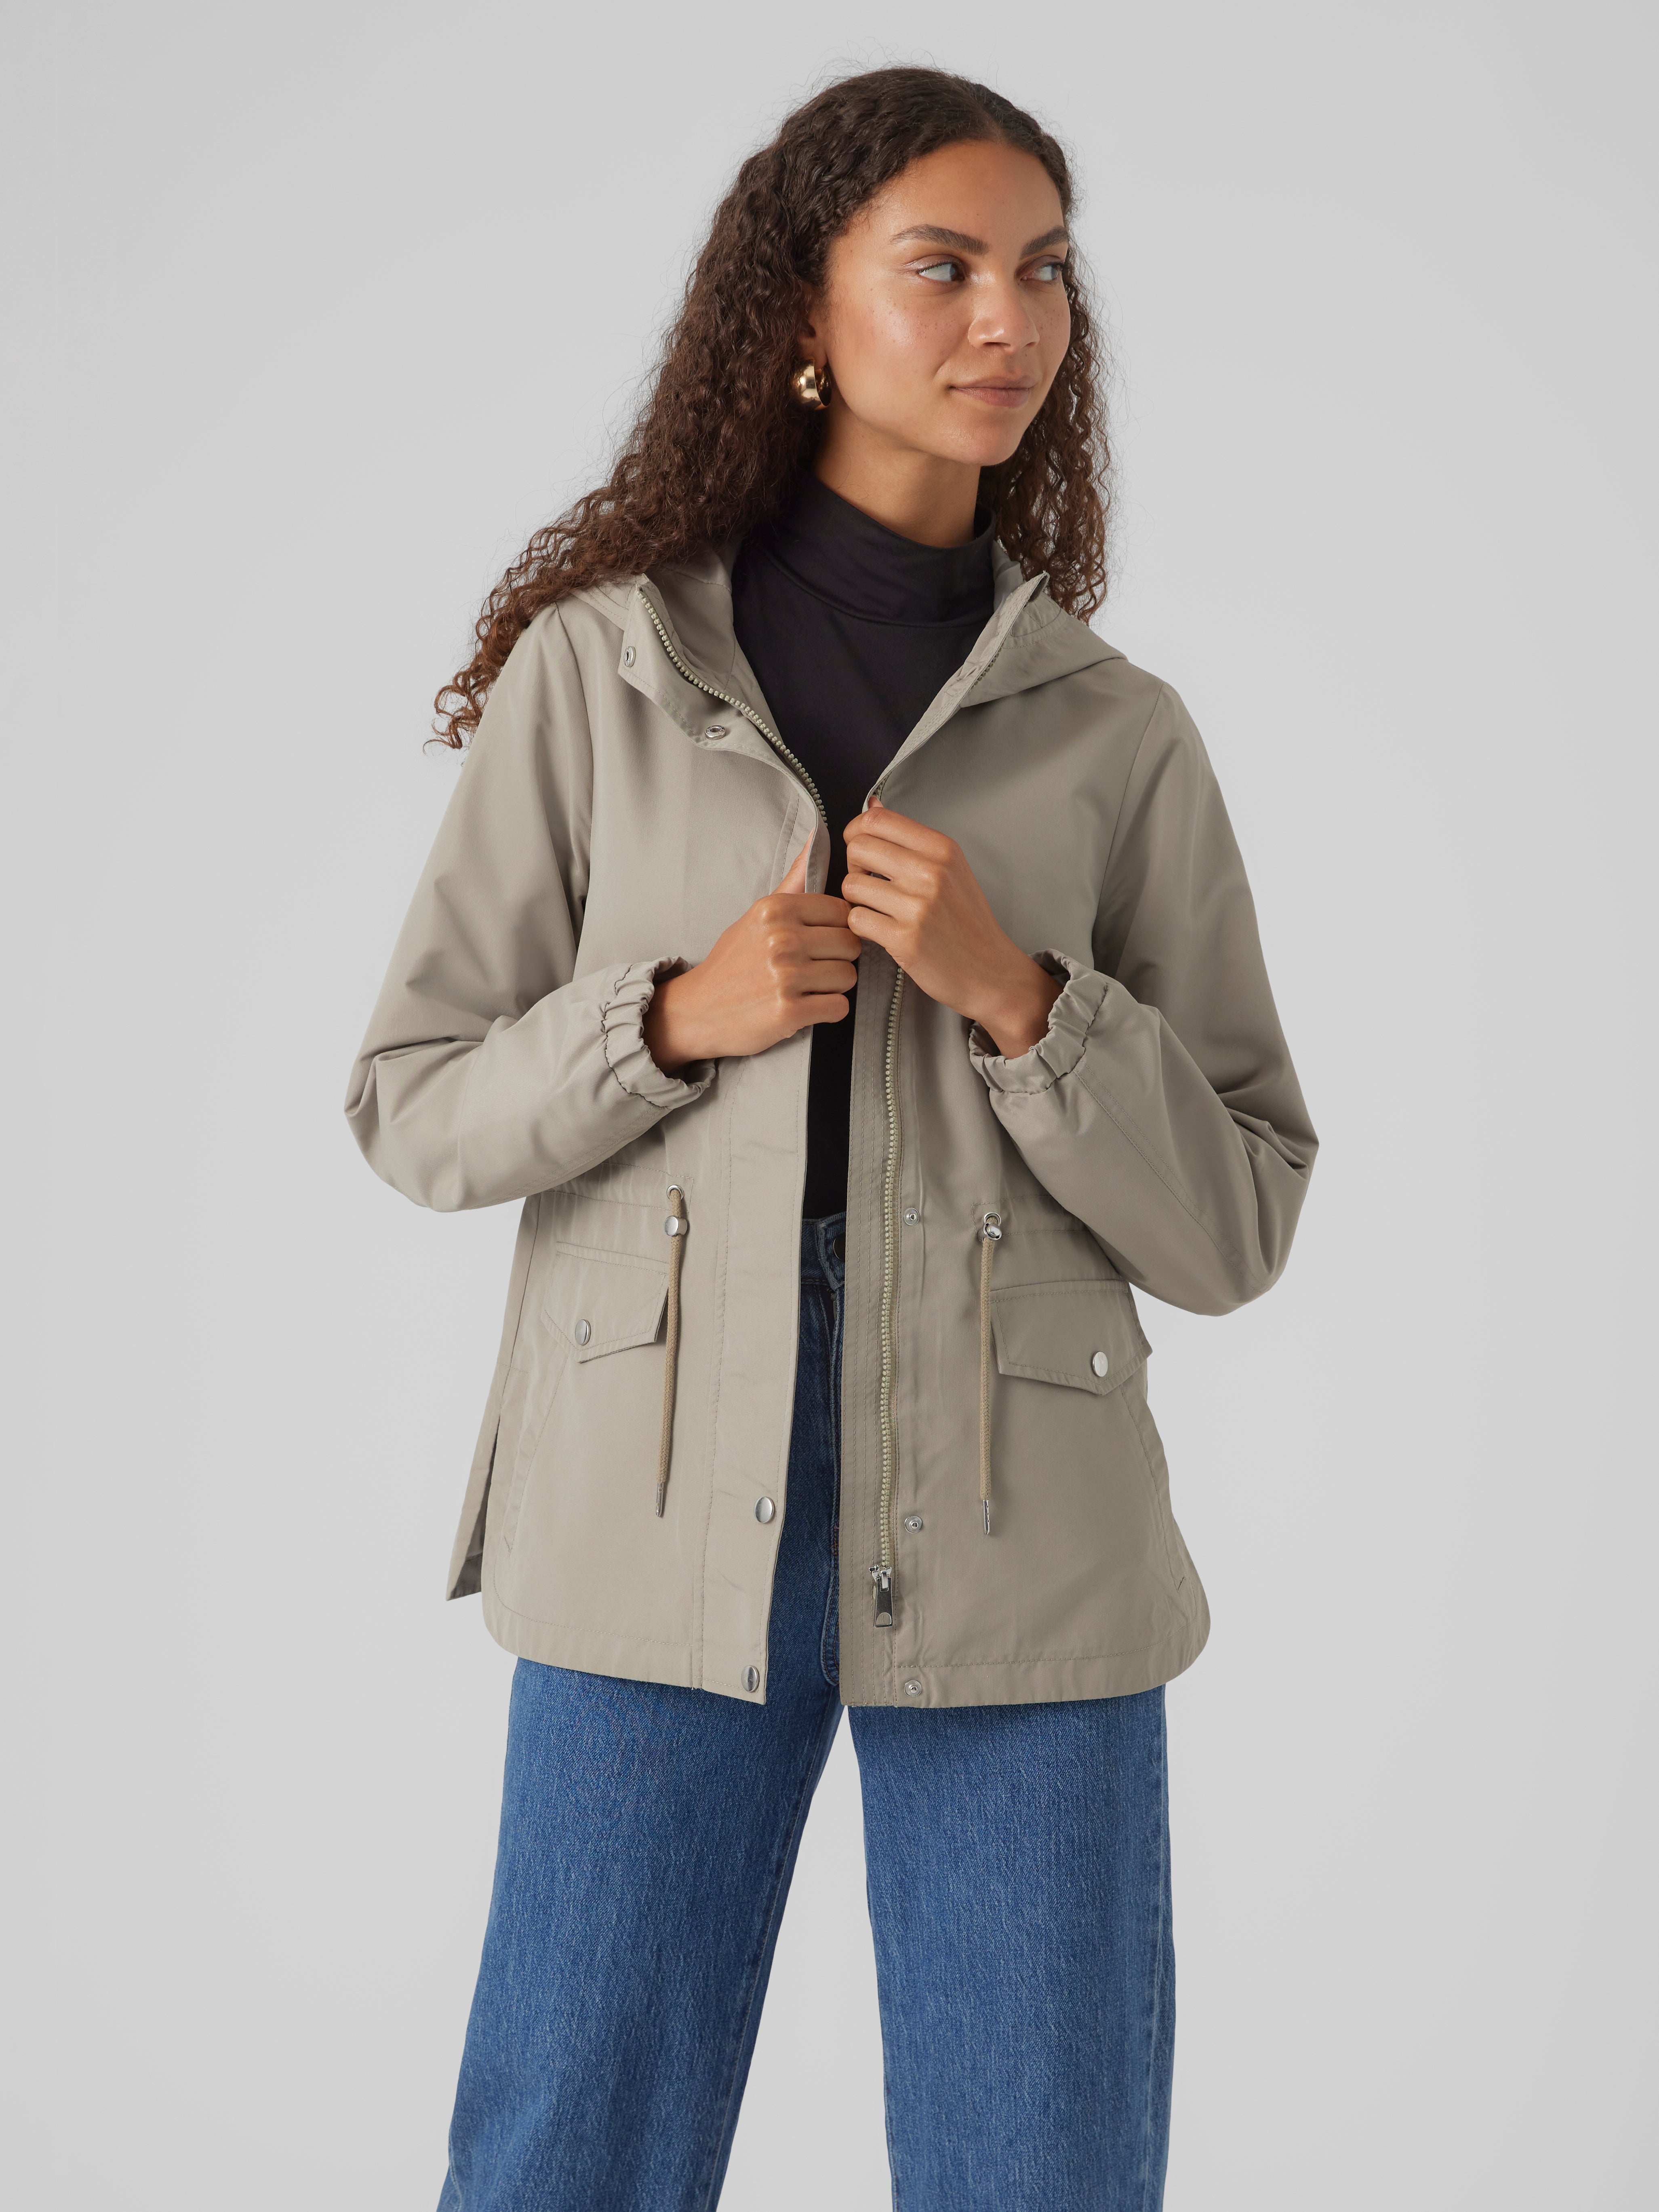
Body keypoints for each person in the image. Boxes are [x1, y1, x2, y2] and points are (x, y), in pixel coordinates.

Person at [347, 64, 1316, 2212]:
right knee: (568, 2153)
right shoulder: (602, 677)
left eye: (1044, 272)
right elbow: (412, 1100)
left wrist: (1028, 1005)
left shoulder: (1115, 733)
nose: (1010, 320)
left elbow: (1241, 1213)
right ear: (803, 305)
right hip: (652, 1500)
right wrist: (664, 1024)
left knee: (1042, 2165)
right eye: (943, 266)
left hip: (1020, 1511)